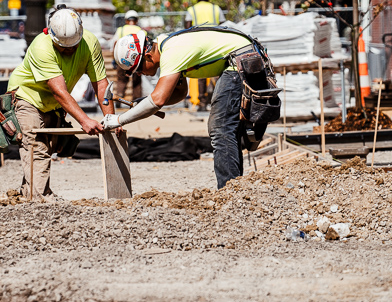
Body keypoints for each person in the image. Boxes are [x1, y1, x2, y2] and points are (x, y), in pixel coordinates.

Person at [104, 27, 279, 189]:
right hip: (242, 56)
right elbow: (179, 94)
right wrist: (144, 104)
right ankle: (234, 187)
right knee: (226, 129)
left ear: (148, 56)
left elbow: (158, 100)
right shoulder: (166, 45)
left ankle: (230, 190)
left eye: (139, 69)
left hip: (240, 60)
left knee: (221, 128)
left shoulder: (171, 53)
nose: (140, 74)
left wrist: (118, 120)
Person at [6, 5, 117, 201]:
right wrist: (84, 120)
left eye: (73, 46)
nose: (70, 50)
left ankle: (27, 195)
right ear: (51, 35)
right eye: (63, 47)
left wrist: (111, 119)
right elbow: (59, 92)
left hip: (52, 103)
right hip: (27, 96)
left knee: (49, 147)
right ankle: (40, 200)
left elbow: (101, 84)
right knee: (36, 146)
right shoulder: (41, 47)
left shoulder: (89, 42)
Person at [184, 0, 226, 110]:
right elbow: (224, 25)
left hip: (200, 44)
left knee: (201, 73)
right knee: (218, 72)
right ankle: (219, 100)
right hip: (215, 43)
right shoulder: (216, 8)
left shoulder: (192, 10)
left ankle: (202, 102)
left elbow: (187, 28)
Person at [111, 10, 143, 101]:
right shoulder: (140, 31)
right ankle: (137, 100)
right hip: (137, 60)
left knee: (121, 79)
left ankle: (119, 96)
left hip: (122, 59)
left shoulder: (121, 30)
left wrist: (115, 59)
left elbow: (115, 44)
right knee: (136, 82)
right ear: (136, 20)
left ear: (126, 20)